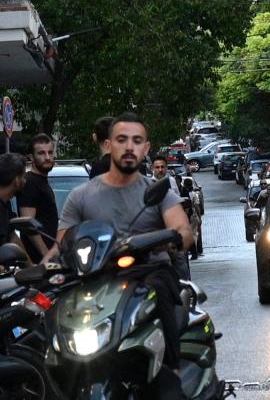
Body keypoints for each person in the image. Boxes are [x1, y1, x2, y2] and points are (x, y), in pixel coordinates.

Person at [55, 112, 194, 369]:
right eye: (121, 139)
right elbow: (63, 240)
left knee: (161, 290)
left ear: (146, 148)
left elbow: (183, 231)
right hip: (97, 277)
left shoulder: (157, 191)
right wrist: (40, 267)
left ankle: (170, 373)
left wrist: (170, 239)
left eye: (137, 140)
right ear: (108, 145)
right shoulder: (80, 196)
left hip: (148, 272)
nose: (129, 147)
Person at [16, 134, 59, 263]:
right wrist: (47, 255)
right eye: (41, 153)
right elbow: (28, 224)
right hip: (39, 261)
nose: (47, 157)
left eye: (50, 152)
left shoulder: (42, 181)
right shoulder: (30, 183)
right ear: (31, 157)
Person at [0, 153, 27, 250]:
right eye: (23, 177)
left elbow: (13, 237)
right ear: (16, 180)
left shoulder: (6, 204)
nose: (25, 181)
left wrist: (32, 265)